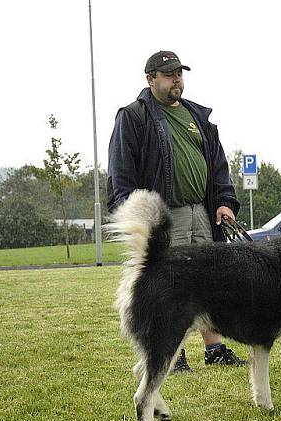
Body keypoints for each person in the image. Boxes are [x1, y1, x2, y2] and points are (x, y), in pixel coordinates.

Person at [107, 50, 244, 372]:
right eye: (168, 75)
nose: (176, 80)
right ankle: (174, 354)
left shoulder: (199, 118)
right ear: (151, 79)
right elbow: (121, 172)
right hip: (166, 216)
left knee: (210, 282)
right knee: (170, 287)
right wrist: (134, 215)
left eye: (179, 74)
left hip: (203, 213)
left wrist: (225, 202)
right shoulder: (134, 116)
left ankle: (215, 350)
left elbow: (219, 170)